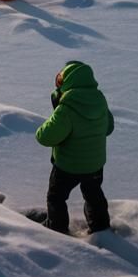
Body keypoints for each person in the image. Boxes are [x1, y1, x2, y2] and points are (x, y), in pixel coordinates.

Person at [34, 61, 114, 234]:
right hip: (95, 165)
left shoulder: (67, 107)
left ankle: (57, 227)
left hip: (68, 165)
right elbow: (109, 128)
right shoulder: (100, 100)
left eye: (61, 80)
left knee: (56, 198)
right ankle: (101, 228)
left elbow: (45, 137)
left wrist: (57, 109)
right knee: (94, 195)